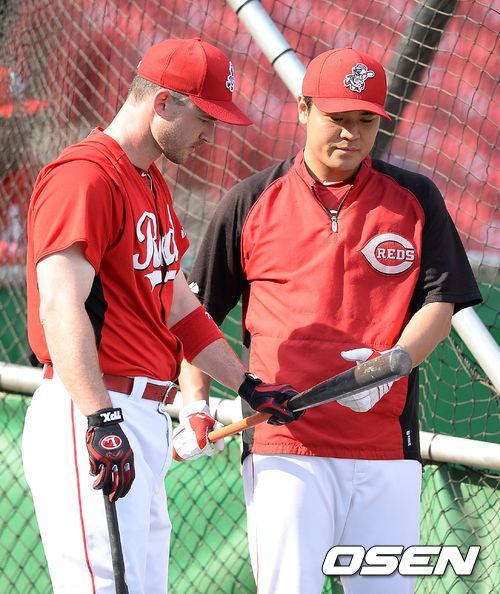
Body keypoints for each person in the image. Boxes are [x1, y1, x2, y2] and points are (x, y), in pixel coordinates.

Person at [179, 47, 483, 594]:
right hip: (284, 449)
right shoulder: (250, 201)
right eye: (337, 118)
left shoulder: (416, 198)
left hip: (386, 448)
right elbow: (195, 315)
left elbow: (441, 303)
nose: (351, 134)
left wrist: (394, 363)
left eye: (366, 120)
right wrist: (195, 403)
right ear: (303, 109)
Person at [22, 37, 301, 594]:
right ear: (163, 102)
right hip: (93, 408)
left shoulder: (149, 183)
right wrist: (100, 418)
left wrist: (246, 383)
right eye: (206, 117)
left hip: (141, 415)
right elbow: (59, 305)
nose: (211, 135)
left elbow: (178, 306)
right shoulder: (85, 175)